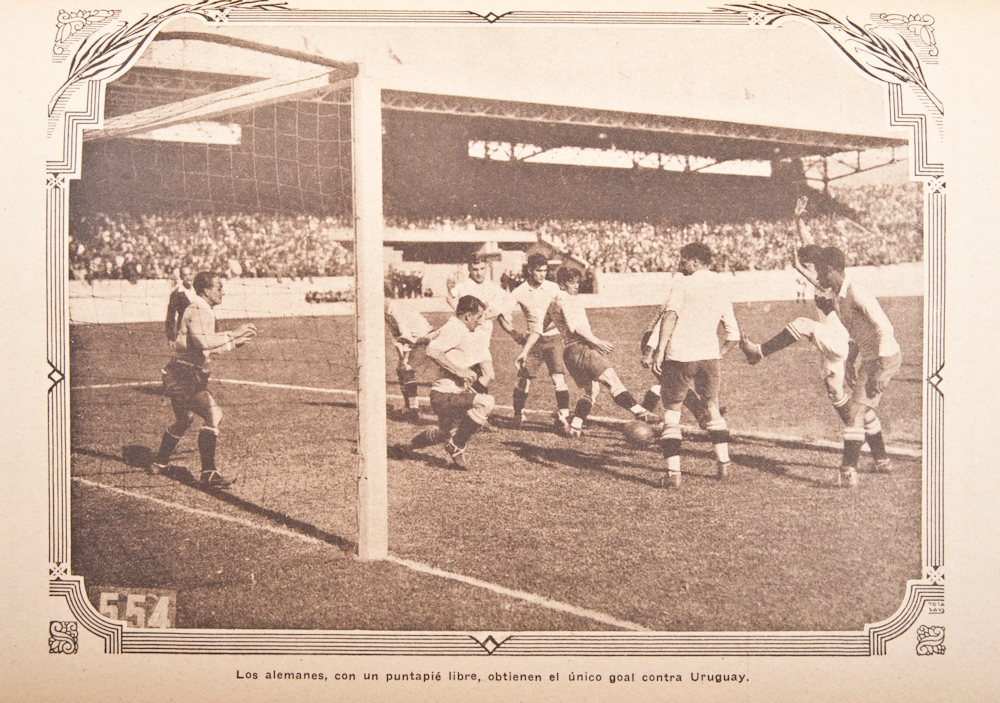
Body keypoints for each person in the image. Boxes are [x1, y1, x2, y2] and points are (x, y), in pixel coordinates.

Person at [151, 273, 257, 488]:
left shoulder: (201, 308)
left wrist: (235, 343)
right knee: (214, 414)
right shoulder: (199, 309)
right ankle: (208, 473)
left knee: (184, 419)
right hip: (183, 375)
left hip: (181, 373)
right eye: (219, 287)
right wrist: (234, 333)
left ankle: (159, 463)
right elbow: (202, 342)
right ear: (206, 290)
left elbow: (205, 346)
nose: (222, 292)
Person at [523, 266, 657, 436]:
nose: (576, 286)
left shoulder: (552, 303)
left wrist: (525, 345)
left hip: (569, 353)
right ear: (562, 284)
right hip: (582, 348)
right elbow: (574, 326)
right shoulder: (567, 300)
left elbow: (541, 327)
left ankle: (575, 426)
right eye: (572, 283)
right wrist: (596, 341)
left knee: (591, 391)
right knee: (612, 381)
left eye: (577, 282)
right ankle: (641, 412)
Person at [651, 242, 740, 488]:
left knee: (672, 412)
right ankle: (724, 465)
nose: (680, 265)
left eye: (683, 260)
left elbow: (670, 315)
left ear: (695, 261)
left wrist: (660, 350)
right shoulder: (722, 284)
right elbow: (733, 334)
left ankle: (673, 474)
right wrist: (717, 353)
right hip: (709, 356)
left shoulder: (682, 282)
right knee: (712, 407)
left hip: (679, 355)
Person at [813, 246, 901, 488]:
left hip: (883, 359)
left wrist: (881, 369)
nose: (818, 277)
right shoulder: (839, 296)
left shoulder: (856, 291)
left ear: (832, 269)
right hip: (871, 360)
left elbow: (884, 327)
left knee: (854, 413)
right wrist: (851, 360)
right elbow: (856, 332)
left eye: (821, 271)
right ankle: (882, 461)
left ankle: (848, 472)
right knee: (862, 409)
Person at [409, 295, 495, 469]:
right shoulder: (455, 329)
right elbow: (432, 350)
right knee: (486, 402)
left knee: (444, 433)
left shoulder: (458, 327)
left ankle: (407, 447)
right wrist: (459, 371)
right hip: (444, 395)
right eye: (479, 317)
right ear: (467, 316)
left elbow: (428, 340)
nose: (481, 321)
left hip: (452, 394)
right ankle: (457, 444)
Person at [446, 253, 519, 429]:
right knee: (486, 375)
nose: (479, 273)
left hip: (483, 341)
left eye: (482, 269)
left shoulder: (494, 289)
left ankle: (474, 415)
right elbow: (450, 299)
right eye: (475, 269)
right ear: (469, 269)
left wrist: (514, 333)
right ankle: (468, 413)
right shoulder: (463, 287)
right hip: (468, 339)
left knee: (477, 378)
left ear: (487, 268)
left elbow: (501, 315)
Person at [506, 253, 571, 430]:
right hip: (532, 342)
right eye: (539, 271)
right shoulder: (519, 292)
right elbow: (502, 315)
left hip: (553, 338)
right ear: (529, 270)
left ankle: (564, 417)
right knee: (523, 379)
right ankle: (518, 414)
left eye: (545, 270)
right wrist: (514, 333)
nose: (543, 274)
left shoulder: (553, 287)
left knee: (558, 378)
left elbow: (565, 309)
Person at [384, 296, 437, 421]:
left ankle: (413, 409)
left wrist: (405, 360)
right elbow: (396, 336)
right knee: (401, 369)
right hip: (416, 341)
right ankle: (409, 407)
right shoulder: (386, 312)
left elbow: (406, 336)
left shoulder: (396, 310)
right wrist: (401, 358)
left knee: (407, 369)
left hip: (425, 339)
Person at [165, 266, 196, 345]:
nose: (188, 277)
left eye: (190, 274)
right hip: (184, 330)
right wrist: (171, 337)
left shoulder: (198, 290)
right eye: (185, 275)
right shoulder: (176, 293)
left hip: (200, 328)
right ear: (181, 277)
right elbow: (170, 316)